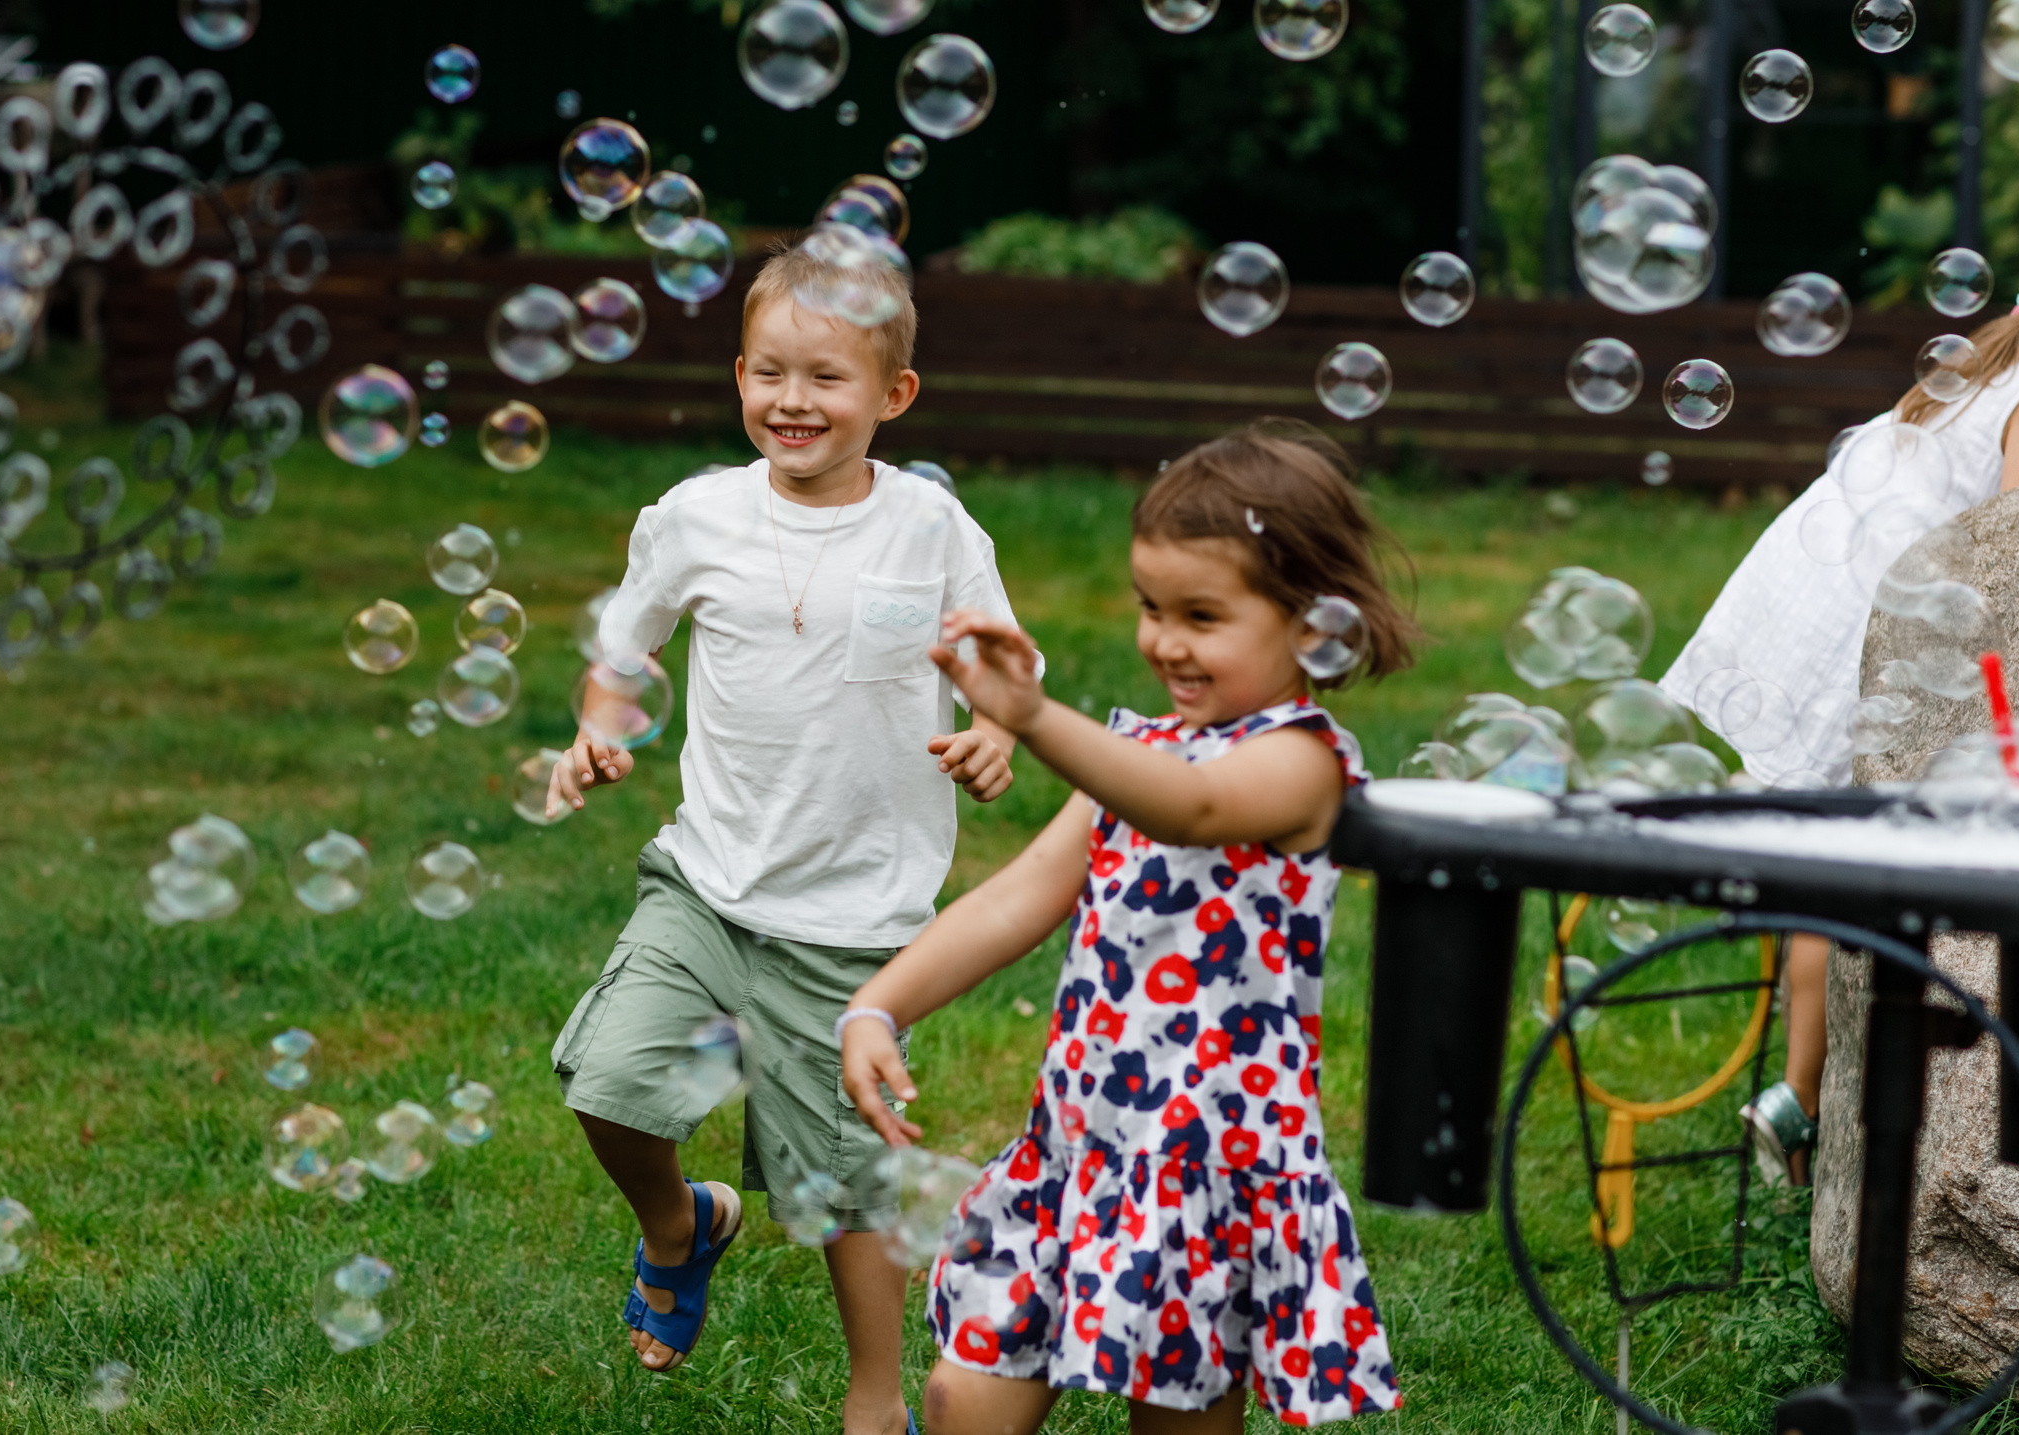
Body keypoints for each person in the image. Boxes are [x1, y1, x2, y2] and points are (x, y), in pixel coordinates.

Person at [838, 423, 1416, 1435]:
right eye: (1151, 608)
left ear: (1315, 623)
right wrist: (877, 1004)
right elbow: (1016, 898)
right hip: (1081, 1143)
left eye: (1201, 614)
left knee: (1178, 1417)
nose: (1164, 641)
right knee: (959, 1395)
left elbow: (1187, 810)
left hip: (1205, 1164)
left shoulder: (1301, 762)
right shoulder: (1133, 748)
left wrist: (1032, 716)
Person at [545, 239, 1020, 1435]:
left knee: (844, 1185)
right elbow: (624, 652)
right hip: (707, 883)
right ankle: (680, 1221)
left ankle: (876, 1402)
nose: (791, 402)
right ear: (738, 375)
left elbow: (1003, 669)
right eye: (767, 374)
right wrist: (600, 730)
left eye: (825, 379)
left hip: (854, 922)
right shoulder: (695, 515)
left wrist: (995, 731)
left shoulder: (931, 529)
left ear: (892, 396)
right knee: (611, 1085)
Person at [1662, 232, 2019, 1183]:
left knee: (1825, 854)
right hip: (1870, 620)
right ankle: (1799, 1098)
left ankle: (1799, 1094)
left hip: (1821, 597)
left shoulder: (2015, 360)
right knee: (1839, 870)